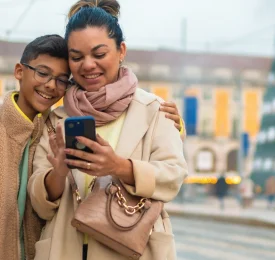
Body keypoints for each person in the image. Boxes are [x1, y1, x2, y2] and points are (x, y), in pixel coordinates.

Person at [28, 1, 188, 259]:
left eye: (99, 54)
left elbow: (173, 177)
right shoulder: (56, 119)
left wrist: (119, 167)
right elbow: (39, 205)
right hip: (65, 249)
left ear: (121, 50)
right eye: (76, 57)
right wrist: (57, 173)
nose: (88, 65)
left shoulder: (155, 110)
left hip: (133, 248)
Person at [0, 34, 70, 260]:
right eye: (42, 73)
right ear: (19, 71)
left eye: (61, 80)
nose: (51, 85)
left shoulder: (57, 132)